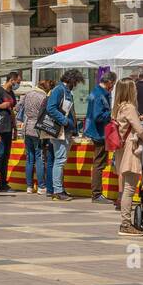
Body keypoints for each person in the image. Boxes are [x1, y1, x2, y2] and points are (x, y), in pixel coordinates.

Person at [110, 78, 143, 236]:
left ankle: (126, 223)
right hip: (130, 151)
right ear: (130, 90)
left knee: (127, 187)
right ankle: (126, 224)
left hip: (122, 150)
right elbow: (140, 131)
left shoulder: (118, 107)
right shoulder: (130, 107)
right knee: (129, 189)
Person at [45, 69, 82, 202]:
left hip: (65, 131)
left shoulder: (65, 91)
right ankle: (57, 190)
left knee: (60, 160)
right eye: (76, 82)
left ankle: (59, 188)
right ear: (72, 80)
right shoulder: (59, 90)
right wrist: (65, 121)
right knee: (59, 160)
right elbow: (51, 108)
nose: (76, 85)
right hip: (60, 131)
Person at [84, 71, 116, 203]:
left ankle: (97, 193)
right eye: (113, 84)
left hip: (98, 132)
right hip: (99, 133)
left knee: (99, 163)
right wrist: (111, 114)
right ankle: (97, 194)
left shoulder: (96, 92)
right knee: (99, 163)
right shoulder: (100, 94)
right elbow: (98, 116)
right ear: (109, 83)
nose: (113, 87)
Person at [18, 78, 53, 194]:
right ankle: (41, 186)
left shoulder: (27, 94)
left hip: (26, 127)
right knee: (39, 157)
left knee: (29, 158)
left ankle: (29, 186)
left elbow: (18, 107)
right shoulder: (43, 97)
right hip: (37, 128)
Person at [0, 71, 19, 192]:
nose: (18, 84)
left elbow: (11, 110)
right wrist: (1, 106)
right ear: (11, 80)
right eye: (17, 82)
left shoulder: (11, 93)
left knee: (6, 156)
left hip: (8, 127)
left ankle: (3, 183)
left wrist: (15, 127)